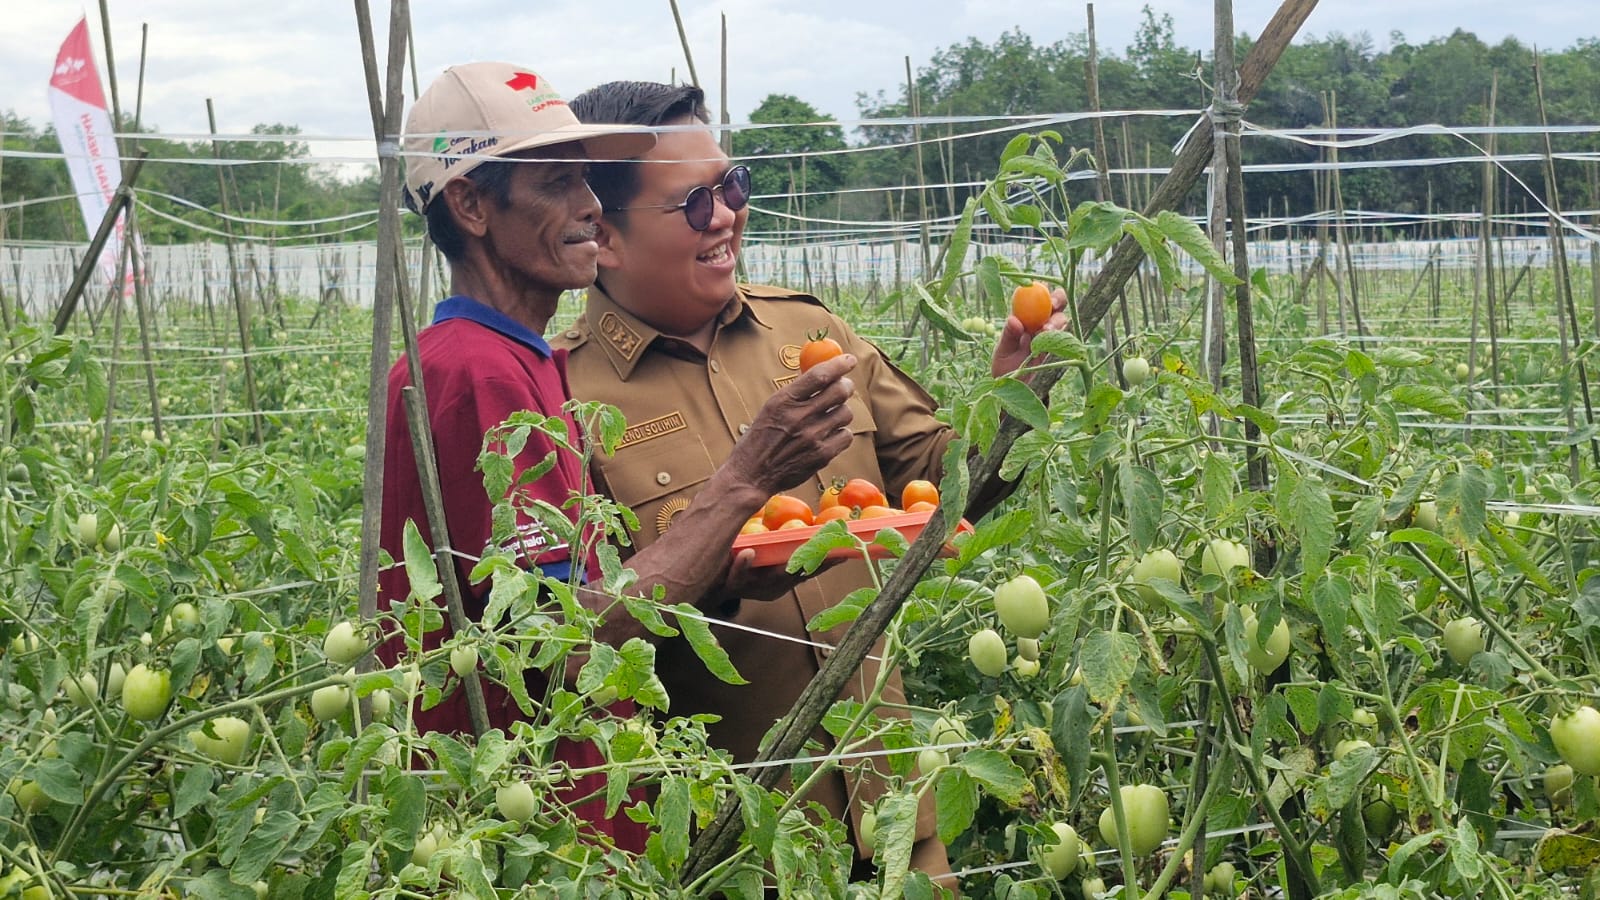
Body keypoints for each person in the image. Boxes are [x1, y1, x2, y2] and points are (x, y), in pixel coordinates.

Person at [556, 80, 1068, 888]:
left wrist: (1013, 403)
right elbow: (577, 645)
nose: (724, 215)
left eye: (731, 186)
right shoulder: (565, 402)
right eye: (692, 202)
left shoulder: (811, 331)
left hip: (897, 817)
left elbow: (943, 482)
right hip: (742, 851)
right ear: (605, 237)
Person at [376, 63, 861, 856]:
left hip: (567, 817)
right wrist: (743, 481)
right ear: (469, 205)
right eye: (558, 183)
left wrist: (720, 577)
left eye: (590, 183)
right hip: (530, 834)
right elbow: (561, 640)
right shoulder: (471, 371)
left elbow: (572, 597)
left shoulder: (522, 360)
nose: (590, 208)